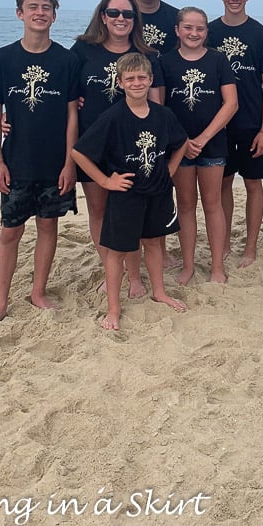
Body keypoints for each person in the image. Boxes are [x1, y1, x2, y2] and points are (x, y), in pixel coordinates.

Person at [0, 0, 79, 330]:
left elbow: (72, 116)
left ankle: (38, 292)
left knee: (49, 227)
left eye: (47, 8)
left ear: (54, 16)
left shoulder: (66, 60)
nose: (40, 13)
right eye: (33, 7)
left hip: (54, 163)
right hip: (15, 161)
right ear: (20, 13)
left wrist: (69, 163)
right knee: (10, 231)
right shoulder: (2, 59)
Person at [71, 53, 188, 330]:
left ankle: (159, 292)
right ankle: (113, 308)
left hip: (157, 191)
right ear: (120, 82)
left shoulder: (163, 114)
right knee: (117, 251)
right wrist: (105, 181)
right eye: (130, 79)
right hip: (126, 195)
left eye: (141, 78)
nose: (137, 83)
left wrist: (169, 169)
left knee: (154, 242)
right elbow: (80, 153)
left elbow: (181, 143)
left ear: (150, 80)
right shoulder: (112, 117)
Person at [71, 0, 162, 298]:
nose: (121, 19)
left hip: (134, 149)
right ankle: (112, 270)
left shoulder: (146, 56)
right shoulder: (83, 50)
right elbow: (63, 94)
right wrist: (9, 116)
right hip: (94, 146)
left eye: (128, 14)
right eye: (114, 13)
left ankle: (135, 277)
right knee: (98, 211)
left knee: (132, 214)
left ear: (135, 20)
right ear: (103, 16)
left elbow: (157, 106)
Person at [206, 0, 263, 268]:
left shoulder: (260, 34)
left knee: (253, 184)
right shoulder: (209, 31)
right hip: (218, 126)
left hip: (250, 123)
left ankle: (250, 247)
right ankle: (222, 243)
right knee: (223, 185)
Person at [161, 7, 238, 284]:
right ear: (177, 31)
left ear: (207, 31)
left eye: (200, 28)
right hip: (178, 148)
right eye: (188, 28)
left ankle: (217, 266)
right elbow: (159, 107)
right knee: (185, 205)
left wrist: (203, 138)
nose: (194, 33)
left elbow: (231, 103)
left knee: (213, 204)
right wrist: (182, 142)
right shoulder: (165, 62)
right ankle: (188, 265)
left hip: (213, 145)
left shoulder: (218, 61)